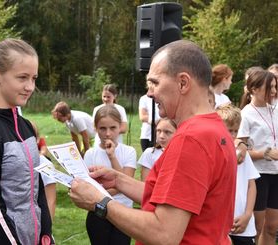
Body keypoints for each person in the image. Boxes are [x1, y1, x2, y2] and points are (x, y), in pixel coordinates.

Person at [69, 40, 237, 244]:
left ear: (183, 83)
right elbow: (176, 198)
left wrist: (99, 202)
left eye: (155, 83)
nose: (150, 93)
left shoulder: (191, 139)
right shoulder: (214, 128)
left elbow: (164, 234)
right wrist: (119, 181)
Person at [0, 38, 53, 245]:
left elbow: (36, 188)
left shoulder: (26, 126)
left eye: (34, 78)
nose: (30, 86)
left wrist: (46, 235)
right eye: (22, 77)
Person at [84, 104, 136, 245]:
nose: (108, 134)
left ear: (120, 127)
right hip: (98, 213)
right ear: (95, 128)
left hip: (123, 212)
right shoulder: (90, 154)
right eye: (102, 128)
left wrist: (112, 156)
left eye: (112, 128)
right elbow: (88, 186)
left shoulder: (129, 151)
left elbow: (124, 184)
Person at [237, 70, 278, 244]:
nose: (274, 92)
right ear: (253, 89)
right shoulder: (246, 114)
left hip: (276, 174)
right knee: (257, 226)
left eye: (275, 87)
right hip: (258, 176)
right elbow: (239, 151)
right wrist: (264, 154)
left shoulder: (275, 109)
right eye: (270, 88)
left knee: (272, 227)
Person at [216, 104, 260, 245]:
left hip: (242, 222)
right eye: (229, 130)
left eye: (236, 131)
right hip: (219, 223)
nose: (233, 135)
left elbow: (251, 186)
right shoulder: (212, 152)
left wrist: (248, 214)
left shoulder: (242, 154)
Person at [31, 121, 56, 221]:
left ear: (37, 140)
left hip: (39, 221)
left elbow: (51, 200)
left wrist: (47, 229)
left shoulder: (44, 163)